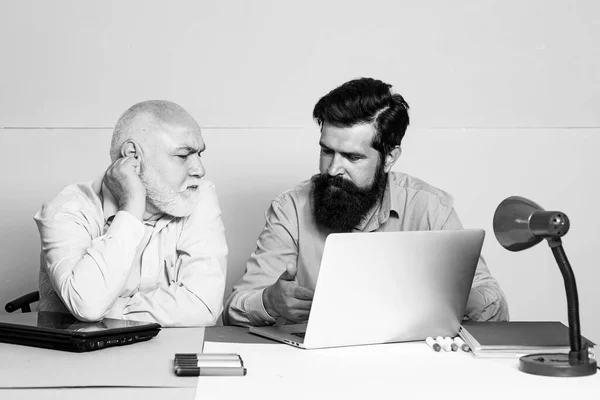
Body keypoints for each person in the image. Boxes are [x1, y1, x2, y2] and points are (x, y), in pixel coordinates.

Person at [224, 77, 509, 327]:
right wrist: (269, 302)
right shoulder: (291, 209)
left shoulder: (429, 207)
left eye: (353, 157)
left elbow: (494, 303)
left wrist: (453, 296)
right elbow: (234, 308)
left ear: (389, 158)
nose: (333, 168)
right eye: (327, 151)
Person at [34, 100, 227, 327]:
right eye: (183, 155)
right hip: (80, 359)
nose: (199, 170)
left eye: (199, 154)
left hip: (166, 353)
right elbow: (88, 306)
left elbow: (204, 306)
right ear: (133, 156)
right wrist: (132, 206)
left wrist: (113, 308)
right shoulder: (67, 210)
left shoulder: (197, 195)